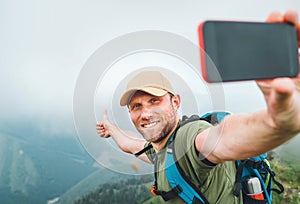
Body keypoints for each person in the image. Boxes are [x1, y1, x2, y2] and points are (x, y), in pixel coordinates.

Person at [96, 10, 300, 203]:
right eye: (136, 106)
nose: (145, 113)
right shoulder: (160, 149)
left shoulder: (190, 138)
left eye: (154, 101)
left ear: (175, 102)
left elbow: (224, 140)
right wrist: (111, 129)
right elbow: (131, 145)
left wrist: (276, 123)